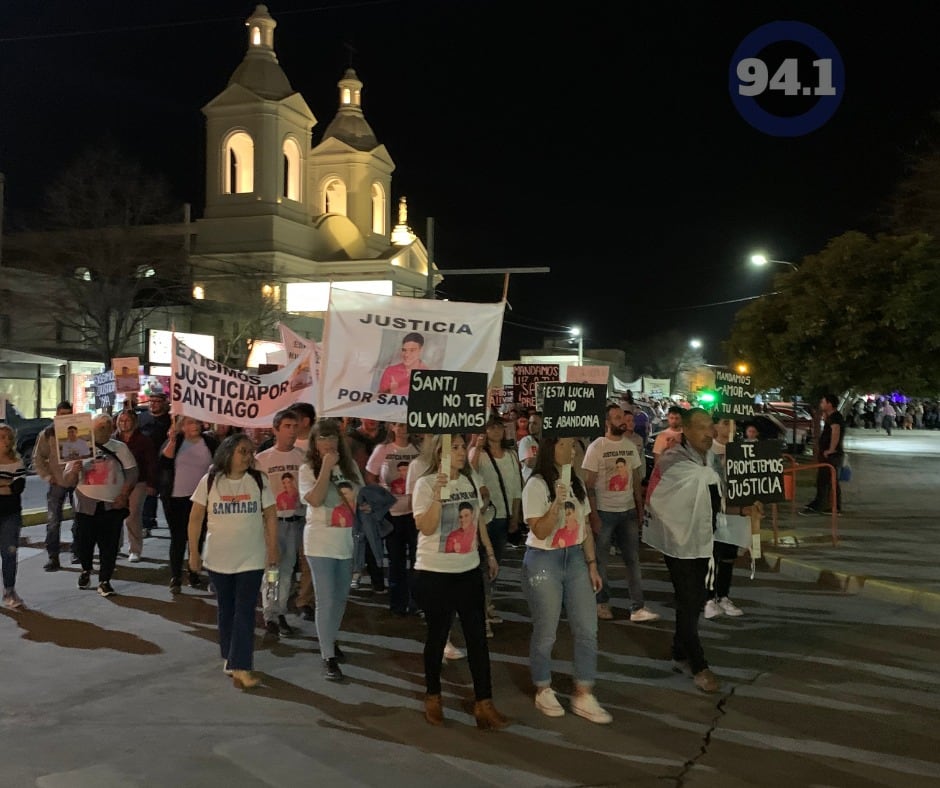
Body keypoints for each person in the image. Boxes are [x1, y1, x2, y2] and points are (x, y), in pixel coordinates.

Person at [412, 433, 509, 730]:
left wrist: (489, 553)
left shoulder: (468, 481)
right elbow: (425, 526)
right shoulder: (426, 484)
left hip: (468, 571)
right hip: (434, 572)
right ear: (439, 453)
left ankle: (484, 702)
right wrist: (439, 496)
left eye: (460, 447)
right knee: (438, 636)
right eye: (452, 448)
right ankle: (433, 696)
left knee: (477, 638)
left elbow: (478, 518)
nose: (459, 452)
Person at [521, 435, 611, 723]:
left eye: (574, 446)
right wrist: (556, 505)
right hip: (543, 561)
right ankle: (543, 687)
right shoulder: (536, 485)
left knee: (587, 628)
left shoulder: (577, 483)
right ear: (552, 448)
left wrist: (592, 565)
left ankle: (583, 692)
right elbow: (541, 531)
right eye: (566, 445)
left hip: (574, 559)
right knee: (546, 630)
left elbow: (583, 527)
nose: (573, 451)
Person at [187, 433, 278, 690]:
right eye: (242, 451)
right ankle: (229, 657)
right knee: (226, 609)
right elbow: (195, 518)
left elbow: (271, 515)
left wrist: (273, 549)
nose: (248, 456)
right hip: (218, 557)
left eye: (250, 452)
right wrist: (193, 553)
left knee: (246, 611)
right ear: (227, 453)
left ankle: (242, 665)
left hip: (251, 557)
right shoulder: (210, 481)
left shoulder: (258, 481)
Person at [644, 407, 721, 693]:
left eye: (711, 426)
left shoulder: (710, 459)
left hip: (704, 542)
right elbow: (659, 500)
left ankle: (679, 651)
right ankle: (699, 665)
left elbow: (717, 496)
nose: (709, 432)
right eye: (702, 427)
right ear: (685, 430)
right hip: (679, 544)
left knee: (693, 599)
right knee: (689, 602)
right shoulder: (672, 461)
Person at [299, 418, 364, 682]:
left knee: (340, 598)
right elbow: (314, 499)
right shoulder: (307, 468)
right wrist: (325, 467)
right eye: (322, 438)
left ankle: (330, 638)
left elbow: (359, 498)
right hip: (319, 542)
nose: (328, 443)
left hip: (345, 541)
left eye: (332, 437)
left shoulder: (351, 468)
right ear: (314, 443)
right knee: (325, 599)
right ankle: (328, 656)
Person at [582, 403, 658, 623]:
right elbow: (589, 484)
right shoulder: (597, 447)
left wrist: (639, 506)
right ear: (607, 422)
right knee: (601, 561)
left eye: (622, 417)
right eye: (616, 418)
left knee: (633, 560)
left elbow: (635, 479)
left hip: (628, 512)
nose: (621, 421)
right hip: (604, 512)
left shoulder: (630, 446)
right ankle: (602, 603)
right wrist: (593, 515)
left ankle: (638, 606)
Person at [63, 414, 138, 598]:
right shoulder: (78, 448)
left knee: (109, 545)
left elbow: (132, 473)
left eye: (107, 427)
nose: (103, 430)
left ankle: (105, 580)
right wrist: (74, 470)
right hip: (85, 506)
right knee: (84, 544)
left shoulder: (120, 448)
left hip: (112, 506)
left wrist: (124, 494)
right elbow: (68, 481)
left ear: (112, 429)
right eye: (99, 427)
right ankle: (86, 569)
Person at [255, 408, 306, 639]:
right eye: (287, 426)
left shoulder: (302, 457)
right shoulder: (263, 459)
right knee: (272, 570)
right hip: (273, 523)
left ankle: (280, 609)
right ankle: (270, 613)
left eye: (295, 427)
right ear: (275, 429)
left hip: (295, 521)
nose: (292, 431)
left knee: (287, 571)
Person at [469, 413, 523, 627]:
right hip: (484, 517)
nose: (496, 431)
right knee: (481, 563)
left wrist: (515, 516)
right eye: (491, 427)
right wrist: (477, 448)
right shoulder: (478, 453)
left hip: (504, 516)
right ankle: (480, 608)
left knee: (495, 563)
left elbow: (516, 487)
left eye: (499, 427)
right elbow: (470, 474)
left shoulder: (511, 455)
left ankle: (487, 602)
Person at [159, 416, 219, 594]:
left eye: (197, 422)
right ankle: (176, 576)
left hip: (201, 498)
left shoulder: (209, 442)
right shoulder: (176, 442)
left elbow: (219, 463)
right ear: (182, 426)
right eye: (191, 423)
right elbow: (164, 462)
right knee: (178, 538)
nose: (195, 426)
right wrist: (171, 441)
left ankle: (194, 571)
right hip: (176, 497)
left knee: (199, 537)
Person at [366, 421, 421, 616]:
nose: (403, 428)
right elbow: (370, 476)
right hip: (392, 514)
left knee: (417, 560)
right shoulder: (383, 449)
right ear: (392, 427)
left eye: (406, 424)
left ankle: (417, 601)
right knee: (396, 560)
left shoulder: (418, 449)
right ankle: (397, 603)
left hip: (415, 512)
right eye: (399, 424)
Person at [703, 417, 752, 619]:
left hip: (734, 512)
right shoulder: (707, 452)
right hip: (713, 512)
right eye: (724, 422)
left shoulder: (741, 451)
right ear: (715, 426)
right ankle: (708, 598)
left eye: (732, 422)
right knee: (712, 557)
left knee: (729, 557)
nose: (729, 426)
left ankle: (723, 596)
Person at [34, 400, 76, 571]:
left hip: (76, 481)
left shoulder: (79, 431)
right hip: (57, 481)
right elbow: (38, 458)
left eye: (68, 414)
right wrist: (47, 476)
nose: (64, 417)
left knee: (80, 518)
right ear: (57, 414)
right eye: (62, 414)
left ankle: (78, 551)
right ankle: (53, 556)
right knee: (53, 521)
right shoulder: (48, 434)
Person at [113, 410, 157, 563]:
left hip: (138, 482)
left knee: (132, 515)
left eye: (127, 420)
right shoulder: (113, 439)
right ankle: (114, 547)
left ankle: (135, 549)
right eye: (121, 420)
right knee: (115, 515)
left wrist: (151, 483)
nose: (124, 423)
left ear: (134, 422)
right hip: (117, 482)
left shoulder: (144, 440)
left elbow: (151, 463)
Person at [289, 402, 317, 621]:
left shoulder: (317, 447)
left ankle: (304, 600)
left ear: (306, 421)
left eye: (294, 420)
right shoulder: (275, 447)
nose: (292, 427)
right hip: (283, 514)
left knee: (307, 560)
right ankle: (279, 595)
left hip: (309, 512)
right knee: (281, 560)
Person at [801, 393, 845, 516]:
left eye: (823, 402)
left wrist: (831, 449)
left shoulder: (835, 418)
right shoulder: (831, 417)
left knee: (826, 481)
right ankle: (829, 505)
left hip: (831, 455)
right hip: (828, 454)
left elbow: (835, 432)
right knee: (827, 480)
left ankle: (824, 505)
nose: (821, 404)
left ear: (830, 404)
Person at [0, 424, 28, 609]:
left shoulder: (17, 463)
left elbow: (16, 488)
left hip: (10, 514)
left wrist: (7, 486)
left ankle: (9, 591)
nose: (3, 441)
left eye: (5, 437)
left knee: (9, 553)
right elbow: (9, 487)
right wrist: (5, 484)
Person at [139, 388, 172, 536]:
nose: (153, 404)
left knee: (166, 494)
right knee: (148, 493)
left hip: (164, 462)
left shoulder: (171, 420)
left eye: (157, 402)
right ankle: (147, 522)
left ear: (165, 403)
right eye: (151, 401)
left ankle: (172, 522)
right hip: (147, 462)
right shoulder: (142, 418)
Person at [378, 331, 429, 396]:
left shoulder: (428, 375)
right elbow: (378, 401)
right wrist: (391, 392)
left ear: (421, 350)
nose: (406, 355)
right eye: (404, 350)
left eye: (412, 350)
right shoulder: (390, 371)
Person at [518, 411, 543, 483]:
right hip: (530, 481)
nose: (530, 426)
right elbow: (529, 462)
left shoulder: (547, 441)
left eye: (534, 423)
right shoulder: (526, 441)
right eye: (530, 423)